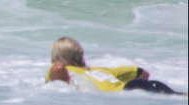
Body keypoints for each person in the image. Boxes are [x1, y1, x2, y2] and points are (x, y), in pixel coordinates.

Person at [45, 36, 181, 94]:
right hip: (134, 87)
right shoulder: (101, 70)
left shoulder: (63, 69)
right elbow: (141, 73)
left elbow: (58, 68)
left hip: (126, 93)